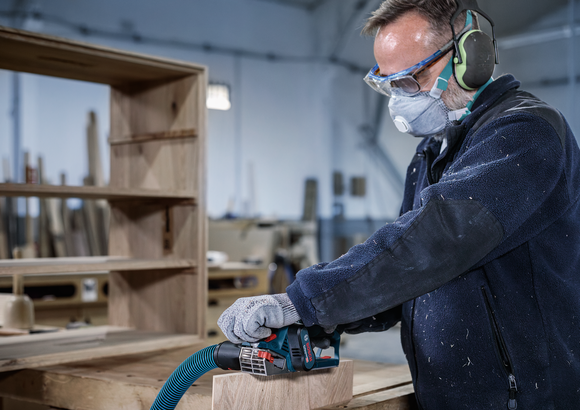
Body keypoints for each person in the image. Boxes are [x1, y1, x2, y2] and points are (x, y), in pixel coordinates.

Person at [218, 0, 580, 408]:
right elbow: (405, 274)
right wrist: (325, 316)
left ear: (471, 57)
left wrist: (306, 299)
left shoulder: (525, 133)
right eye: (389, 83)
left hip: (528, 397)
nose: (399, 98)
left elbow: (435, 241)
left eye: (412, 78)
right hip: (447, 395)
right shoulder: (431, 153)